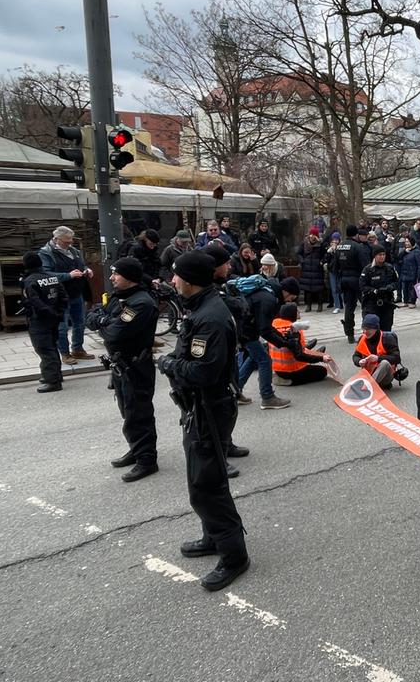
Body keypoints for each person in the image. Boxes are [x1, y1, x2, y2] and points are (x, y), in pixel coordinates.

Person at [156, 247, 250, 591]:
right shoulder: (200, 308)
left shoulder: (209, 317)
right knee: (202, 479)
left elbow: (203, 372)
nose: (172, 280)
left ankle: (233, 555)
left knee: (207, 486)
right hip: (200, 407)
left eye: (177, 275)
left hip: (210, 407)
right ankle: (212, 536)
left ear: (191, 281)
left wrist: (167, 364)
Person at [86, 256, 160, 482]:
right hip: (120, 365)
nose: (111, 277)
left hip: (136, 366)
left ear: (128, 277)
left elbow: (115, 333)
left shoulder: (141, 303)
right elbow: (91, 317)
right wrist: (105, 320)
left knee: (138, 413)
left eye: (115, 274)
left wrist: (105, 322)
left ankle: (147, 460)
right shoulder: (120, 298)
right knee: (126, 410)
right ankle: (136, 449)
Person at [236, 274, 297, 410]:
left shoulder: (268, 292)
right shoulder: (269, 299)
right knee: (264, 360)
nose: (289, 301)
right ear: (286, 291)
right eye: (291, 297)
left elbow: (267, 326)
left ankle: (235, 391)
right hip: (246, 331)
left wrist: (282, 338)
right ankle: (267, 397)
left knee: (254, 358)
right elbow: (265, 330)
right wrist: (283, 343)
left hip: (244, 329)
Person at [38, 227, 94, 366]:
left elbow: (81, 265)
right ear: (56, 239)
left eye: (71, 241)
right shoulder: (46, 253)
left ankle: (78, 349)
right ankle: (64, 353)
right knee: (61, 327)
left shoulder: (74, 251)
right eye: (66, 242)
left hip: (76, 292)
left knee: (80, 323)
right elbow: (45, 274)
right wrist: (68, 275)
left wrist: (86, 270)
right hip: (58, 296)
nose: (70, 244)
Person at [19, 251, 67, 394]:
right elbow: (64, 297)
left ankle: (53, 381)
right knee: (52, 346)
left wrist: (48, 313)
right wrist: (58, 314)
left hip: (39, 320)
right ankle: (55, 375)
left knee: (44, 349)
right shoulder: (52, 277)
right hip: (54, 319)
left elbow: (35, 302)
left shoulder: (30, 281)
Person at [269, 303, 331, 385]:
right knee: (323, 371)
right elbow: (299, 356)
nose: (299, 312)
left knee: (304, 353)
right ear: (291, 314)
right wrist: (321, 358)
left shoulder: (273, 326)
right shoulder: (293, 331)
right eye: (297, 311)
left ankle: (312, 353)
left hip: (277, 368)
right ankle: (289, 381)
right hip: (291, 370)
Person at [337, 227, 374, 342]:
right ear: (356, 235)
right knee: (365, 306)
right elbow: (365, 265)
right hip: (357, 280)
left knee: (349, 307)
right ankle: (367, 332)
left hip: (344, 280)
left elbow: (334, 265)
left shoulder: (339, 247)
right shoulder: (357, 247)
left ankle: (350, 335)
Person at [353, 313, 407, 388]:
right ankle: (369, 385)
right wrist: (359, 361)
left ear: (376, 328)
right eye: (363, 328)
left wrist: (378, 358)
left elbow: (397, 358)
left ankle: (368, 387)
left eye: (368, 329)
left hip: (386, 376)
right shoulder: (362, 338)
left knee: (384, 363)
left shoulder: (387, 338)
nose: (365, 331)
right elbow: (355, 356)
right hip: (368, 374)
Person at [361, 245, 400, 331]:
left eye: (383, 254)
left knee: (387, 328)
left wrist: (390, 287)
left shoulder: (389, 268)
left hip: (387, 302)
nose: (382, 257)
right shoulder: (368, 270)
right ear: (375, 256)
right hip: (372, 303)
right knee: (373, 328)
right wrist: (374, 291)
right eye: (379, 255)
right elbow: (363, 286)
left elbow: (396, 282)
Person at [297, 233, 327, 312]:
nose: (312, 236)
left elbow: (325, 254)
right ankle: (308, 305)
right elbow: (299, 253)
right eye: (311, 234)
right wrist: (302, 261)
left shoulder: (320, 244)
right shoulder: (304, 243)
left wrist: (322, 261)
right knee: (307, 289)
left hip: (317, 268)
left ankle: (320, 305)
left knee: (319, 288)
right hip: (307, 268)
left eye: (314, 234)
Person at [397, 236, 420, 307]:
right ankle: (405, 301)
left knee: (412, 288)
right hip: (404, 273)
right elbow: (398, 258)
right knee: (404, 288)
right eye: (405, 242)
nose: (406, 243)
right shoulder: (405, 251)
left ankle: (412, 301)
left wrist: (419, 275)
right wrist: (404, 252)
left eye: (408, 242)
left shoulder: (417, 251)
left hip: (413, 273)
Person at [326, 230, 344, 311]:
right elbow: (327, 260)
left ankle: (346, 304)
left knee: (341, 288)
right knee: (334, 289)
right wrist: (329, 253)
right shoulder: (329, 249)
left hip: (340, 270)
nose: (335, 242)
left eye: (336, 240)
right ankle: (337, 306)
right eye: (333, 240)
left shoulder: (342, 248)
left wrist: (336, 251)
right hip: (332, 270)